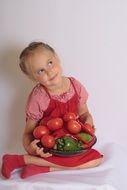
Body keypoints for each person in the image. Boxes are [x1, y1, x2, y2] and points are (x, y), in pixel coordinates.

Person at [1, 42, 103, 179]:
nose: (49, 71)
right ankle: (28, 159)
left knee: (96, 159)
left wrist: (88, 125)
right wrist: (32, 149)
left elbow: (84, 114)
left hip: (71, 144)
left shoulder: (75, 86)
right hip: (51, 148)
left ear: (57, 57)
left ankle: (39, 166)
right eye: (40, 71)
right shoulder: (39, 97)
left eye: (50, 63)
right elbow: (28, 133)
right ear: (33, 78)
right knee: (90, 161)